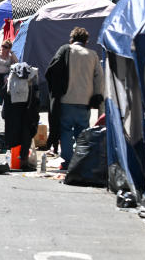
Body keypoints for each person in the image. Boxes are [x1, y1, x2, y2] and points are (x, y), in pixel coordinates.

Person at [45, 26, 104, 170]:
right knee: (82, 133)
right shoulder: (93, 55)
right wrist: (97, 96)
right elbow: (99, 79)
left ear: (72, 38)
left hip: (66, 100)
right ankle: (80, 161)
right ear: (86, 41)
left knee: (66, 131)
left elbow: (51, 71)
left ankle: (67, 161)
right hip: (85, 101)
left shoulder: (66, 50)